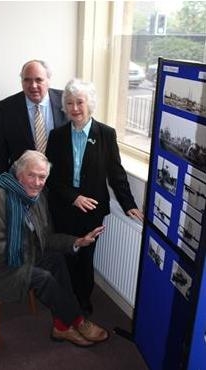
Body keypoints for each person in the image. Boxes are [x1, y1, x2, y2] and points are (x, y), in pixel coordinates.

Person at [0, 150, 109, 347]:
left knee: (56, 259)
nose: (37, 182)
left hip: (20, 252)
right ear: (19, 173)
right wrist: (29, 256)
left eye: (42, 177)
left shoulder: (37, 197)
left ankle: (61, 326)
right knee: (43, 277)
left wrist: (77, 241)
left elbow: (45, 238)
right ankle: (77, 320)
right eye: (31, 175)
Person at [46, 78, 144, 316]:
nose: (75, 108)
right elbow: (51, 176)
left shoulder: (106, 134)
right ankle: (66, 297)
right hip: (65, 208)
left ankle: (83, 299)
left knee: (86, 257)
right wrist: (73, 197)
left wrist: (128, 204)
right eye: (69, 103)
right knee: (67, 255)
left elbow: (116, 173)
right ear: (64, 107)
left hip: (92, 210)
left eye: (80, 102)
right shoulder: (57, 136)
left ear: (90, 104)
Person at [0, 59, 67, 175]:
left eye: (39, 80)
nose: (33, 86)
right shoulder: (6, 108)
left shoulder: (66, 101)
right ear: (21, 81)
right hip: (22, 183)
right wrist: (3, 184)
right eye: (27, 80)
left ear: (48, 80)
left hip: (61, 181)